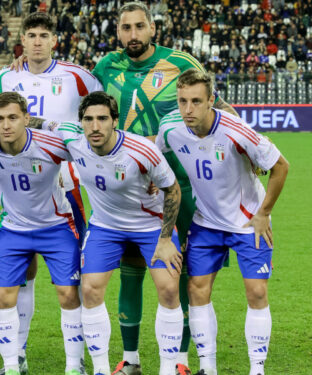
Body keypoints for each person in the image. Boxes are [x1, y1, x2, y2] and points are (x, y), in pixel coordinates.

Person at [90, 3, 236, 372]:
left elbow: (218, 108)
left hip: (180, 186)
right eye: (126, 28)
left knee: (183, 271)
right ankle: (131, 360)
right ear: (118, 31)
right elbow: (85, 108)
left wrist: (246, 146)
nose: (133, 35)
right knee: (131, 270)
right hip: (126, 189)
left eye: (140, 27)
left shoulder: (182, 63)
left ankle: (182, 360)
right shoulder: (105, 67)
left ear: (153, 29)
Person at [0, 12, 103, 374]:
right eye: (31, 35)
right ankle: (16, 355)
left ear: (54, 40)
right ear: (22, 39)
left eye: (43, 35)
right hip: (19, 186)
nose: (37, 41)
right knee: (22, 275)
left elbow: (99, 115)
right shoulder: (7, 76)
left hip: (67, 186)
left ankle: (76, 362)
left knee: (71, 284)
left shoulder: (77, 76)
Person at [156, 69, 289, 375]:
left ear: (211, 101)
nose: (188, 109)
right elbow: (155, 152)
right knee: (197, 289)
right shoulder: (171, 127)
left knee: (256, 292)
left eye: (196, 101)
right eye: (182, 101)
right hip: (206, 222)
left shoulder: (236, 130)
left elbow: (281, 166)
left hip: (247, 223)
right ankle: (208, 367)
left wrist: (264, 213)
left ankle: (257, 369)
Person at [55, 92, 190, 375]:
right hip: (106, 226)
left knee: (168, 289)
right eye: (88, 119)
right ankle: (102, 370)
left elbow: (172, 189)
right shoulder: (73, 140)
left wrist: (165, 239)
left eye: (102, 119)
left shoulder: (141, 150)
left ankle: (168, 369)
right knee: (90, 289)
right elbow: (40, 123)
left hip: (150, 225)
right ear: (80, 122)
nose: (95, 126)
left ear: (115, 121)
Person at [0, 92, 83, 375]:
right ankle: (13, 366)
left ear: (27, 118)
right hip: (14, 229)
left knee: (68, 294)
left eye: (13, 117)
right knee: (3, 297)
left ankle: (75, 366)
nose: (6, 125)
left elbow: (91, 149)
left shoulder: (52, 144)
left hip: (56, 227)